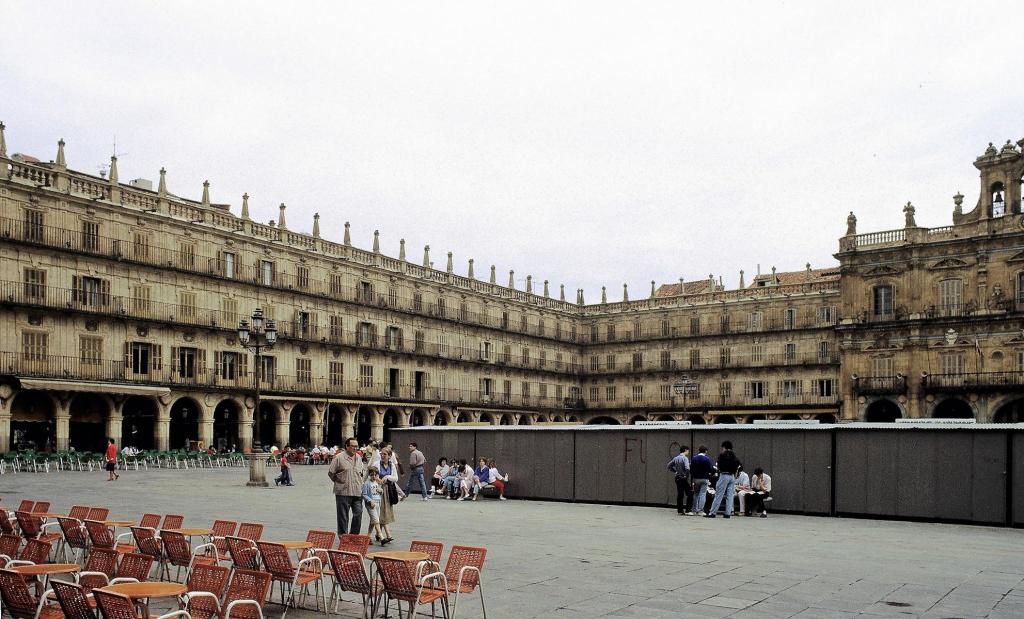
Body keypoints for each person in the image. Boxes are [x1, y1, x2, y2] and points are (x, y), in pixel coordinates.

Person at [328, 437, 367, 536]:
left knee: (358, 513)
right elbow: (331, 473)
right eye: (353, 446)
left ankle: (353, 535)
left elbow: (361, 473)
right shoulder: (339, 458)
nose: (355, 448)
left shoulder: (359, 457)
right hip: (343, 492)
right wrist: (340, 481)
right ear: (347, 446)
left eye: (356, 446)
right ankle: (343, 536)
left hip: (357, 491)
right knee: (343, 516)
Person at [706, 441, 741, 518]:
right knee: (730, 496)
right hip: (732, 477)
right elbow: (740, 466)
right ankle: (727, 513)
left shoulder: (722, 455)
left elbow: (718, 465)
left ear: (724, 447)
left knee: (719, 495)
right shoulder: (734, 456)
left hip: (724, 475)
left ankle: (712, 512)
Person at [376, 449, 398, 544]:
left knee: (384, 511)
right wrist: (378, 479)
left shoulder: (391, 465)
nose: (382, 455)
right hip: (378, 490)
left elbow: (396, 478)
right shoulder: (377, 464)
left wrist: (387, 477)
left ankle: (378, 534)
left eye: (385, 454)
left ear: (389, 456)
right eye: (381, 454)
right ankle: (388, 535)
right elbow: (371, 475)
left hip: (387, 490)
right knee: (382, 511)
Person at [361, 466, 385, 545]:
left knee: (373, 521)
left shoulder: (377, 482)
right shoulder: (367, 483)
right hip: (371, 505)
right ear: (369, 475)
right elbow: (364, 494)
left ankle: (368, 537)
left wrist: (381, 491)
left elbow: (380, 492)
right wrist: (370, 500)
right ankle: (382, 537)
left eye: (375, 475)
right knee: (376, 520)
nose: (374, 476)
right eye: (372, 475)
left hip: (378, 502)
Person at [667, 445, 693, 515]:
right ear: (685, 450)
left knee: (680, 494)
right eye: (688, 451)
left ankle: (680, 511)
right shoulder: (685, 458)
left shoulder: (676, 458)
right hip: (683, 477)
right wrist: (686, 476)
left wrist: (675, 471)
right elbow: (687, 468)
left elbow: (669, 466)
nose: (688, 452)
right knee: (690, 493)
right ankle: (688, 510)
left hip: (677, 477)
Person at [690, 445, 713, 514]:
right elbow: (710, 469)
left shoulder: (694, 458)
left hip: (696, 478)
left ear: (699, 451)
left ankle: (694, 510)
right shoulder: (707, 459)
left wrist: (694, 475)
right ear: (705, 451)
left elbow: (691, 469)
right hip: (705, 478)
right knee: (703, 494)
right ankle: (700, 510)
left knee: (696, 494)